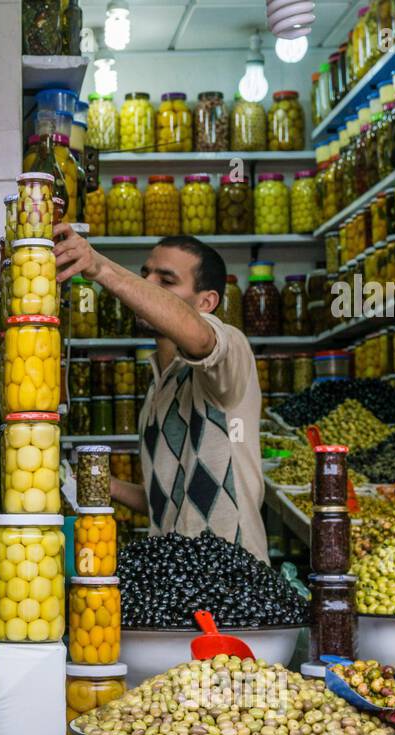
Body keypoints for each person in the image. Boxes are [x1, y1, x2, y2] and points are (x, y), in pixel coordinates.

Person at [54, 224, 267, 560]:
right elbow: (166, 500)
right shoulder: (158, 385)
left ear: (207, 301)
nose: (147, 286)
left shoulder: (229, 352)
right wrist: (103, 484)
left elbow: (199, 337)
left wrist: (100, 267)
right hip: (176, 575)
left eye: (166, 281)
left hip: (231, 574)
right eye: (145, 275)